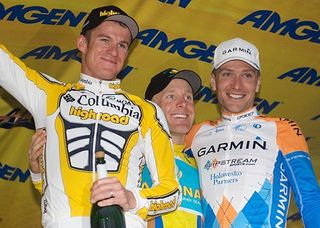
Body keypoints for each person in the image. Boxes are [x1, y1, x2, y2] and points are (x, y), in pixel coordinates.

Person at [0, 5, 180, 228]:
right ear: (82, 43)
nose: (114, 51)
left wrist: (133, 199)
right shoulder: (49, 94)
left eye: (122, 45)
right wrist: (39, 174)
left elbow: (172, 193)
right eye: (105, 40)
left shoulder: (148, 111)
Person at [29, 68, 204, 227]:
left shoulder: (201, 164)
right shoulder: (128, 154)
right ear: (151, 106)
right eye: (171, 96)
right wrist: (39, 172)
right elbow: (75, 193)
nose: (183, 104)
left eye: (188, 97)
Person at [186, 37, 320, 227]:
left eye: (247, 75)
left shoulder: (283, 129)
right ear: (213, 82)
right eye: (227, 74)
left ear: (257, 84)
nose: (237, 85)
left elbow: (310, 198)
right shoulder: (195, 134)